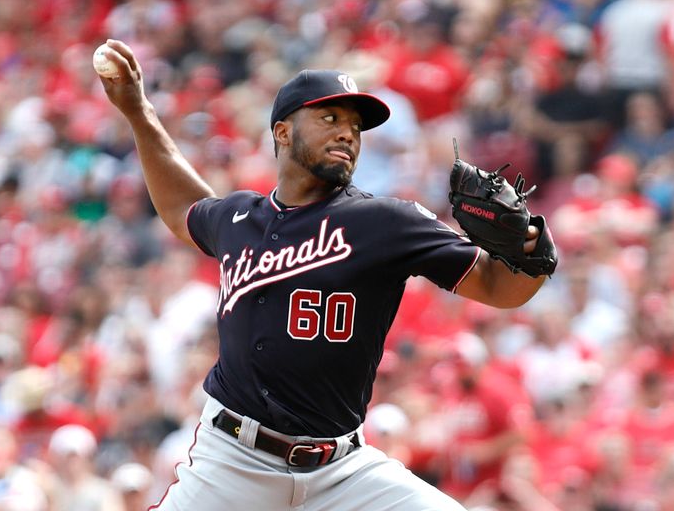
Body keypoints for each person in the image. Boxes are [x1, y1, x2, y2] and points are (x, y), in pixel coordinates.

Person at [97, 38, 551, 511]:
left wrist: (533, 251)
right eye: (329, 118)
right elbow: (180, 207)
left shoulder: (386, 222)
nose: (347, 134)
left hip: (342, 470)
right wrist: (138, 112)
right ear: (283, 133)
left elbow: (502, 288)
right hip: (233, 462)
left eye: (355, 126)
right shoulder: (237, 219)